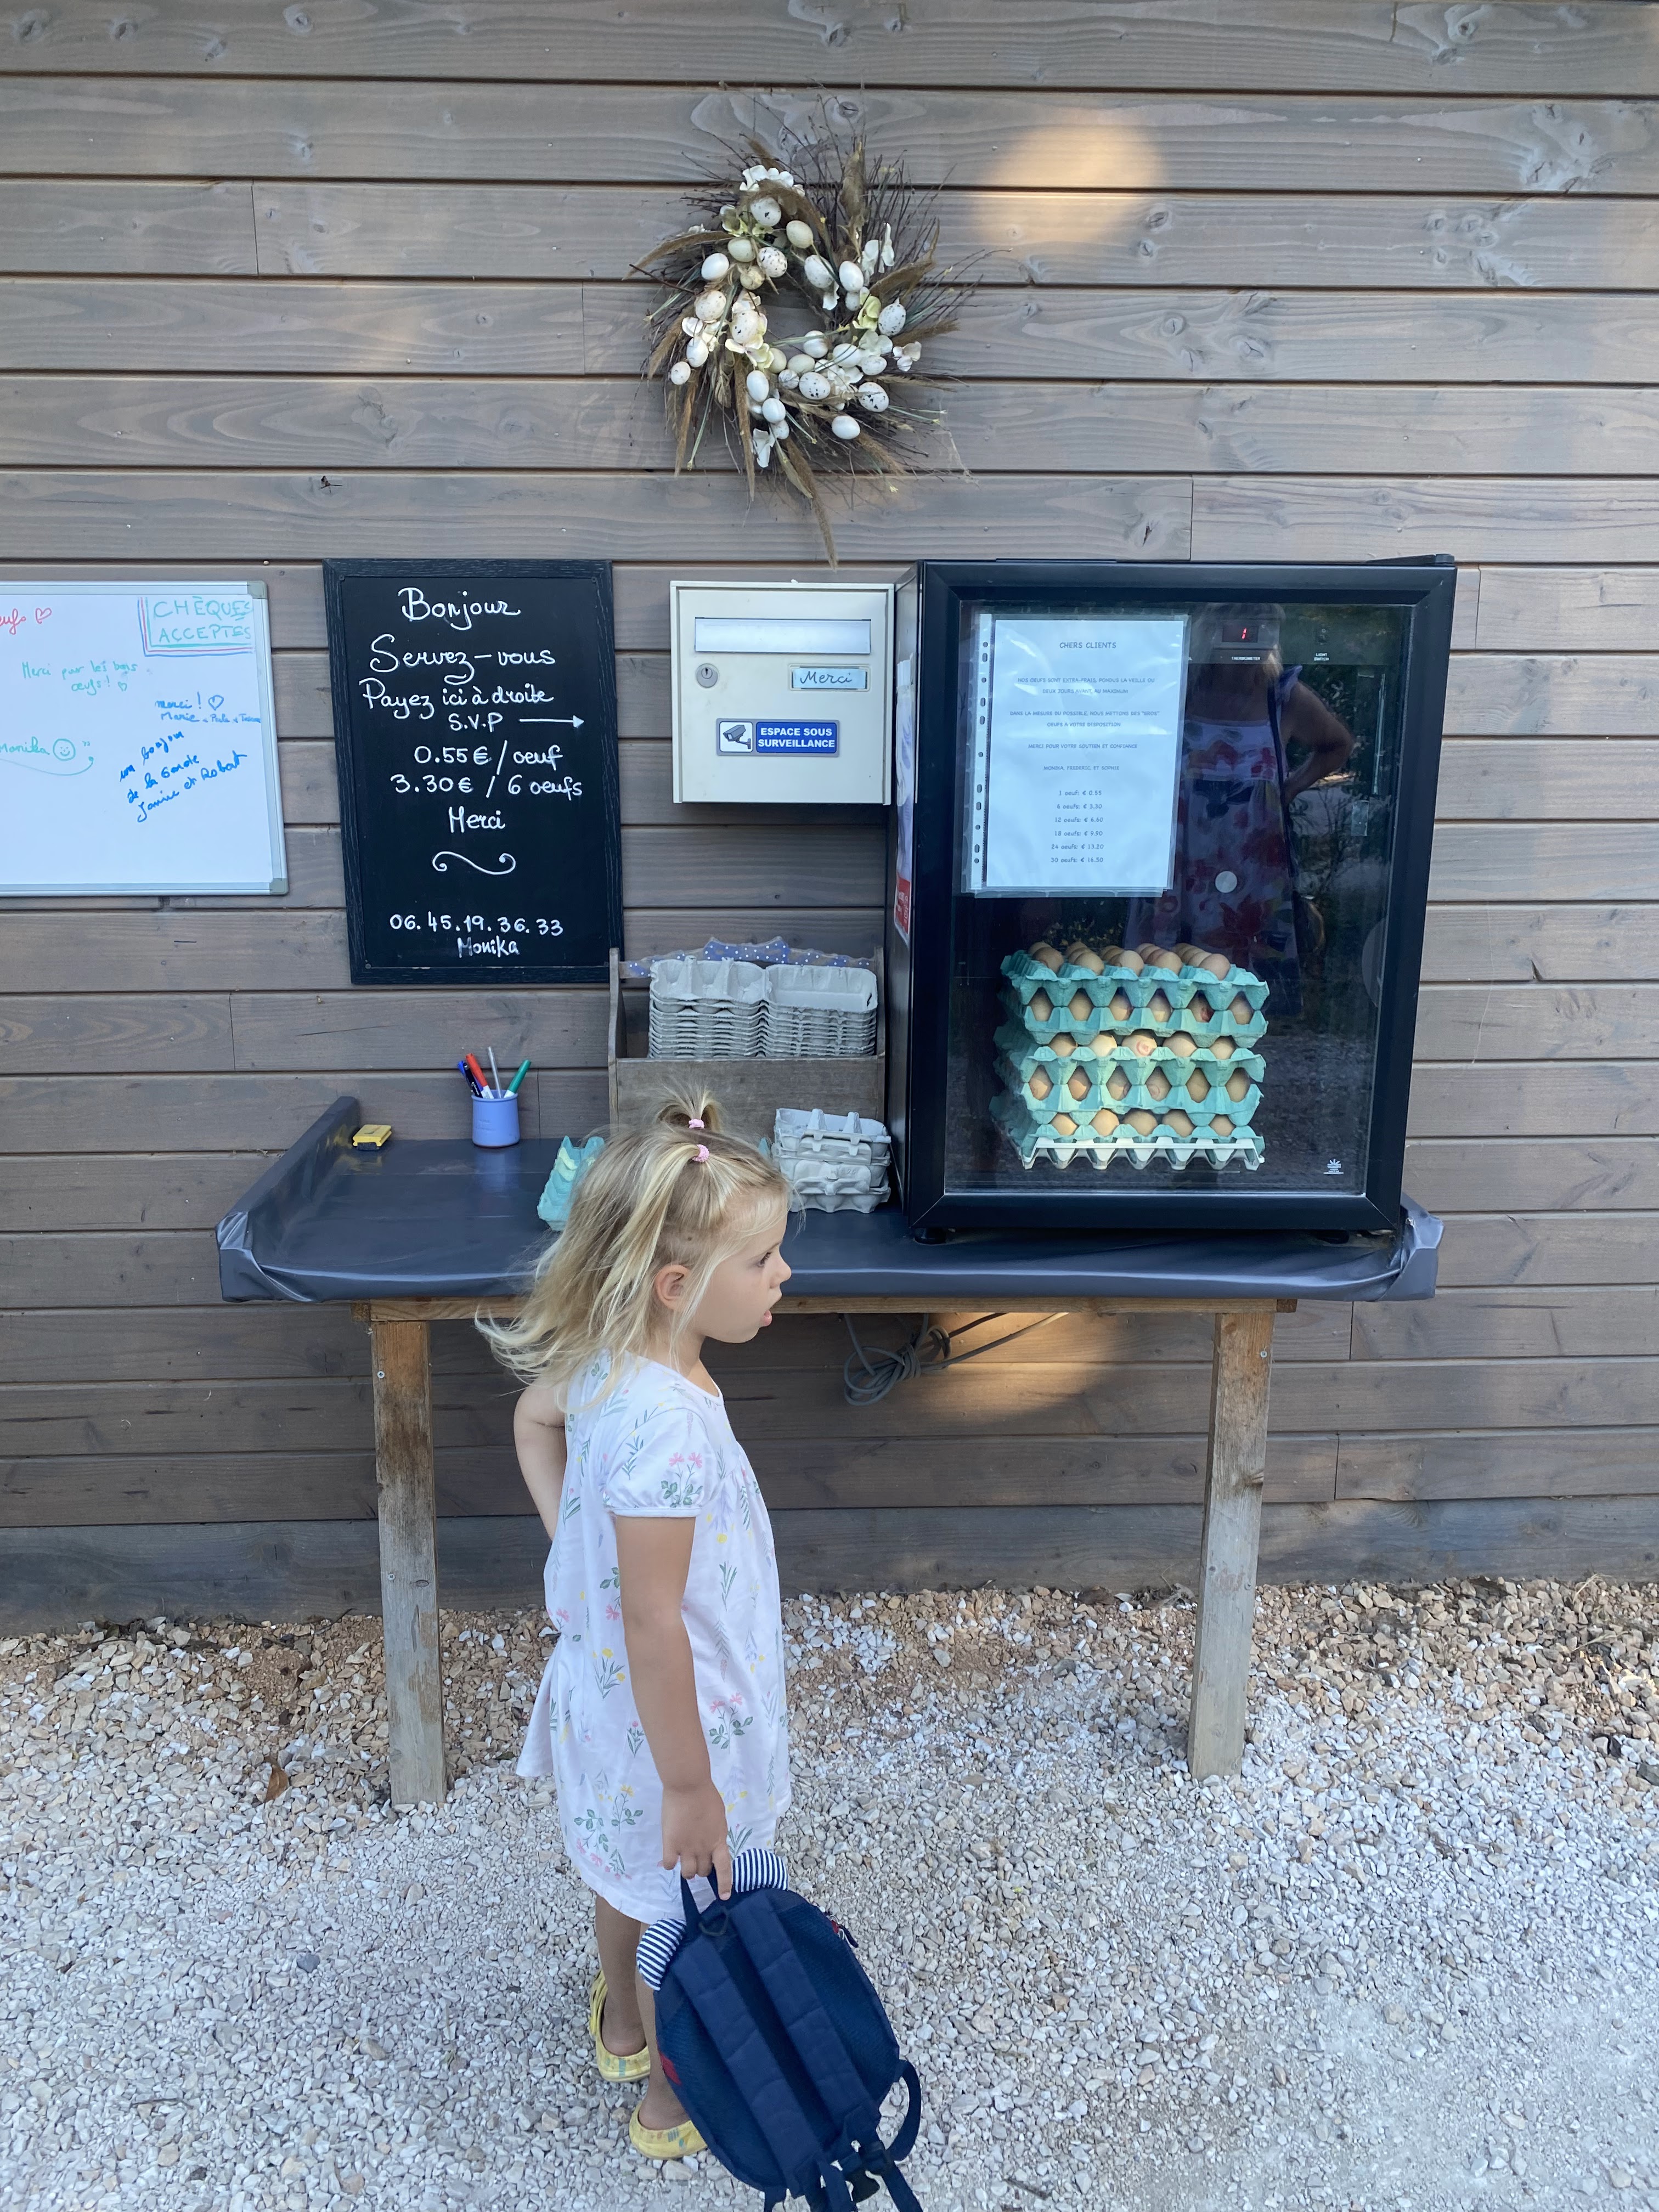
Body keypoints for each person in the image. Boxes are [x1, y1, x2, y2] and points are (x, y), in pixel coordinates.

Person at [481, 1092, 794, 2161]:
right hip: (674, 1719)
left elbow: (532, 1421)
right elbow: (658, 1623)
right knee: (688, 1911)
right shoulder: (670, 1427)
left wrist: (573, 1554)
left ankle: (621, 2024)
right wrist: (692, 1785)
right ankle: (672, 2104)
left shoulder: (611, 1357)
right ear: (677, 1284)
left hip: (608, 1706)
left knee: (630, 1879)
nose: (782, 1275)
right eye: (762, 1260)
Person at [1127, 602, 1355, 1016]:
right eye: (1244, 616)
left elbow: (1338, 744)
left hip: (1253, 878)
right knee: (1162, 996)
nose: (1255, 629)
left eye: (1266, 620)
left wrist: (1289, 789)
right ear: (1211, 627)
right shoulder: (1177, 689)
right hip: (1179, 870)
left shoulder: (1282, 697)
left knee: (1242, 1005)